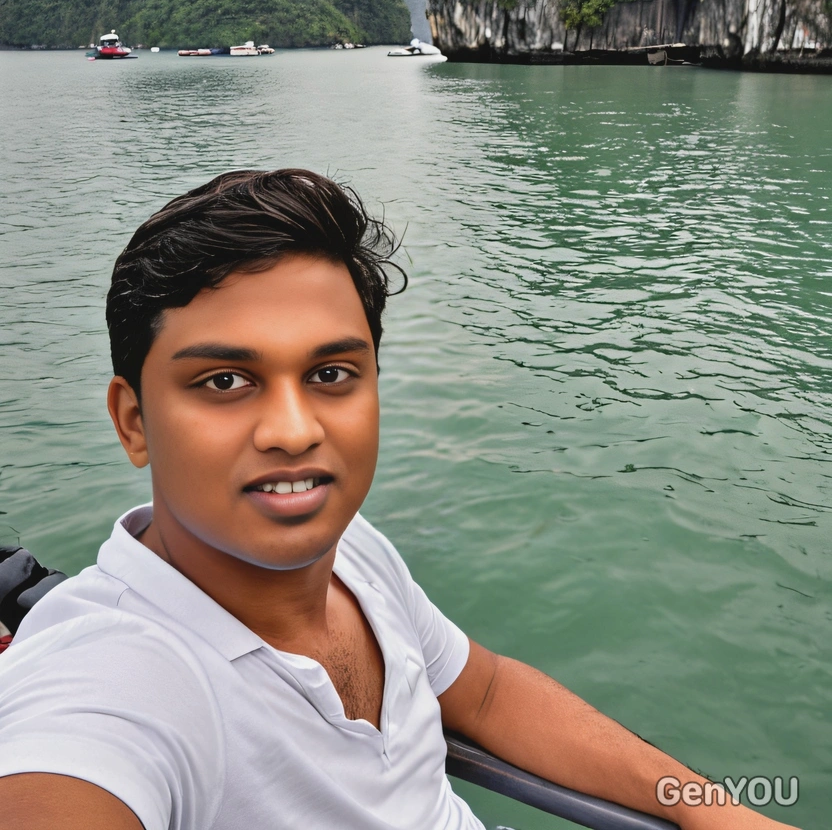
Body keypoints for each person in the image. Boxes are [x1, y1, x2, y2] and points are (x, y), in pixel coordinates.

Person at [0, 170, 800, 830]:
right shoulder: (116, 679)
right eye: (225, 381)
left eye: (331, 374)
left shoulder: (353, 554)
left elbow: (484, 691)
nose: (292, 429)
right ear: (134, 421)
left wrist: (710, 809)